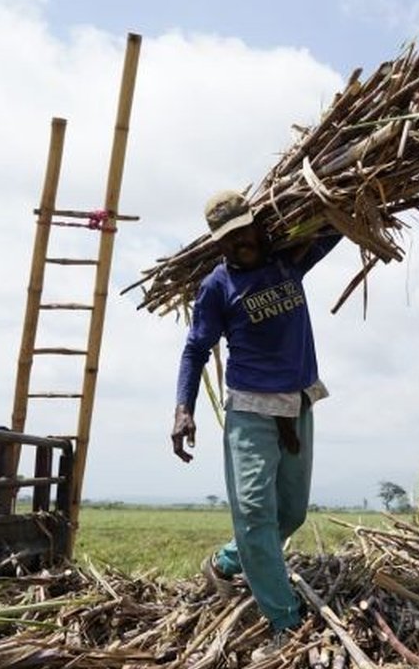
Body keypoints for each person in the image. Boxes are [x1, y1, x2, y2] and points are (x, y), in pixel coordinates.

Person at [171, 188, 341, 655]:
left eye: (242, 231)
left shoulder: (289, 261)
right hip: (250, 411)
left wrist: (351, 194)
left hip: (298, 405)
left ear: (257, 224)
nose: (238, 242)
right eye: (227, 238)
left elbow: (338, 224)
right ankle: (286, 622)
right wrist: (184, 408)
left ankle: (225, 562)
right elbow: (195, 349)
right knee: (253, 514)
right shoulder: (217, 286)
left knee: (292, 513)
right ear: (217, 242)